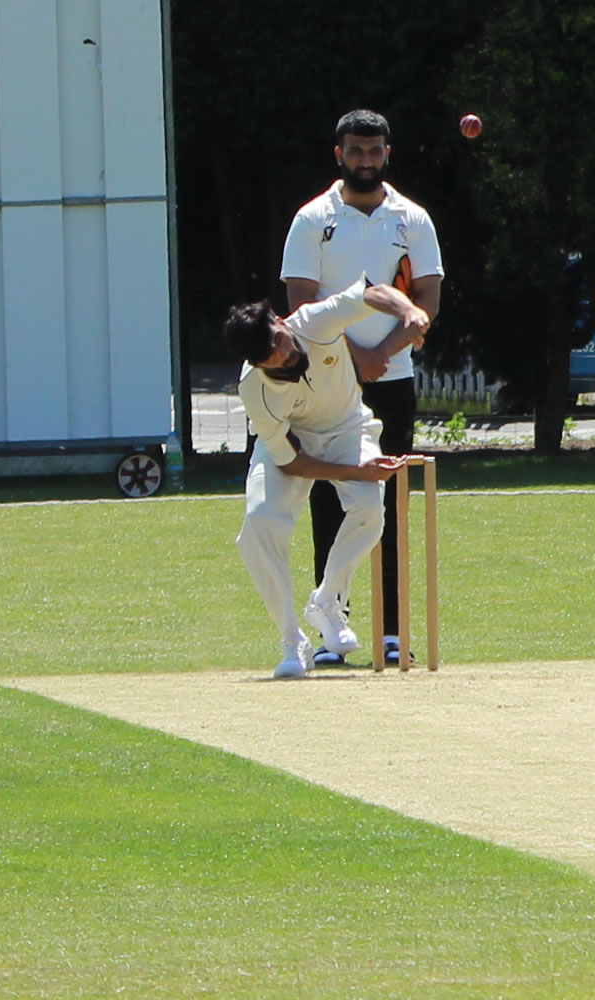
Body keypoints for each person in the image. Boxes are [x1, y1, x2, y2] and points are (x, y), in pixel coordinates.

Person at [280, 109, 444, 668]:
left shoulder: (412, 219)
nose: (365, 160)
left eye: (374, 152)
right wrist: (355, 356)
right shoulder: (311, 219)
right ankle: (334, 632)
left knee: (389, 502)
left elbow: (427, 301)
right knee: (331, 500)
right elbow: (301, 307)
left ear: (387, 155)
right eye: (356, 151)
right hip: (328, 385)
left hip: (392, 380)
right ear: (339, 155)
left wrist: (383, 354)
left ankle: (392, 632)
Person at [224, 281, 433, 679]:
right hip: (294, 446)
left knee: (370, 508)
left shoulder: (313, 322)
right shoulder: (254, 388)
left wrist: (406, 310)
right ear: (256, 363)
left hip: (348, 429)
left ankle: (327, 600)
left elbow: (369, 294)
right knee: (258, 524)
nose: (286, 354)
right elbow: (292, 463)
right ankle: (292, 640)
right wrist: (356, 473)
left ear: (279, 320)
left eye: (281, 341)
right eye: (272, 358)